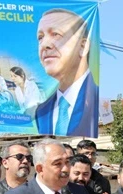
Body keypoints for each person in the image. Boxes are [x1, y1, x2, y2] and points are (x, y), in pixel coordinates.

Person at [35, 8, 98, 137]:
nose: (44, 44)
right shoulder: (42, 112)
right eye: (40, 37)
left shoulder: (97, 101)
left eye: (56, 34)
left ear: (83, 46)